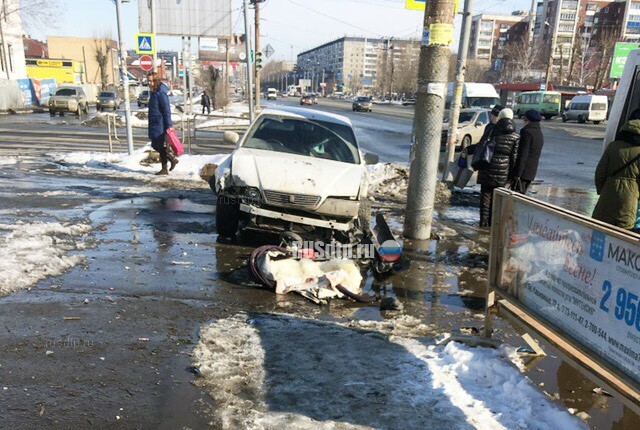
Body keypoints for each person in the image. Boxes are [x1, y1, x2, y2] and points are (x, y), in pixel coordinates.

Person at [592, 108, 640, 230]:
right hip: (630, 197)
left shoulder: (613, 146)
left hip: (608, 191)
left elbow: (600, 173)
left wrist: (602, 190)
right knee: (623, 233)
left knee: (601, 227)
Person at [477, 107, 520, 227]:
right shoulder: (515, 136)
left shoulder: (491, 130)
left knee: (486, 196)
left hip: (487, 167)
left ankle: (483, 223)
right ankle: (493, 224)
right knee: (498, 198)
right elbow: (514, 157)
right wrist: (511, 176)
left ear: (500, 117)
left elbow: (481, 145)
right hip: (503, 171)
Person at [147, 71, 178, 175]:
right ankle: (169, 161)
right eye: (148, 81)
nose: (149, 83)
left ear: (156, 80)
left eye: (151, 81)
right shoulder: (154, 91)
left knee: (159, 146)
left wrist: (169, 125)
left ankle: (167, 166)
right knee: (155, 145)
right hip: (154, 123)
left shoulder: (160, 92)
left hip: (160, 124)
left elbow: (166, 109)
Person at [511, 109, 544, 194]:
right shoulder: (539, 133)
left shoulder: (526, 132)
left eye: (524, 119)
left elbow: (523, 154)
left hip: (523, 172)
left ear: (527, 120)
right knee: (522, 194)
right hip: (531, 172)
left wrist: (517, 173)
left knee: (516, 196)